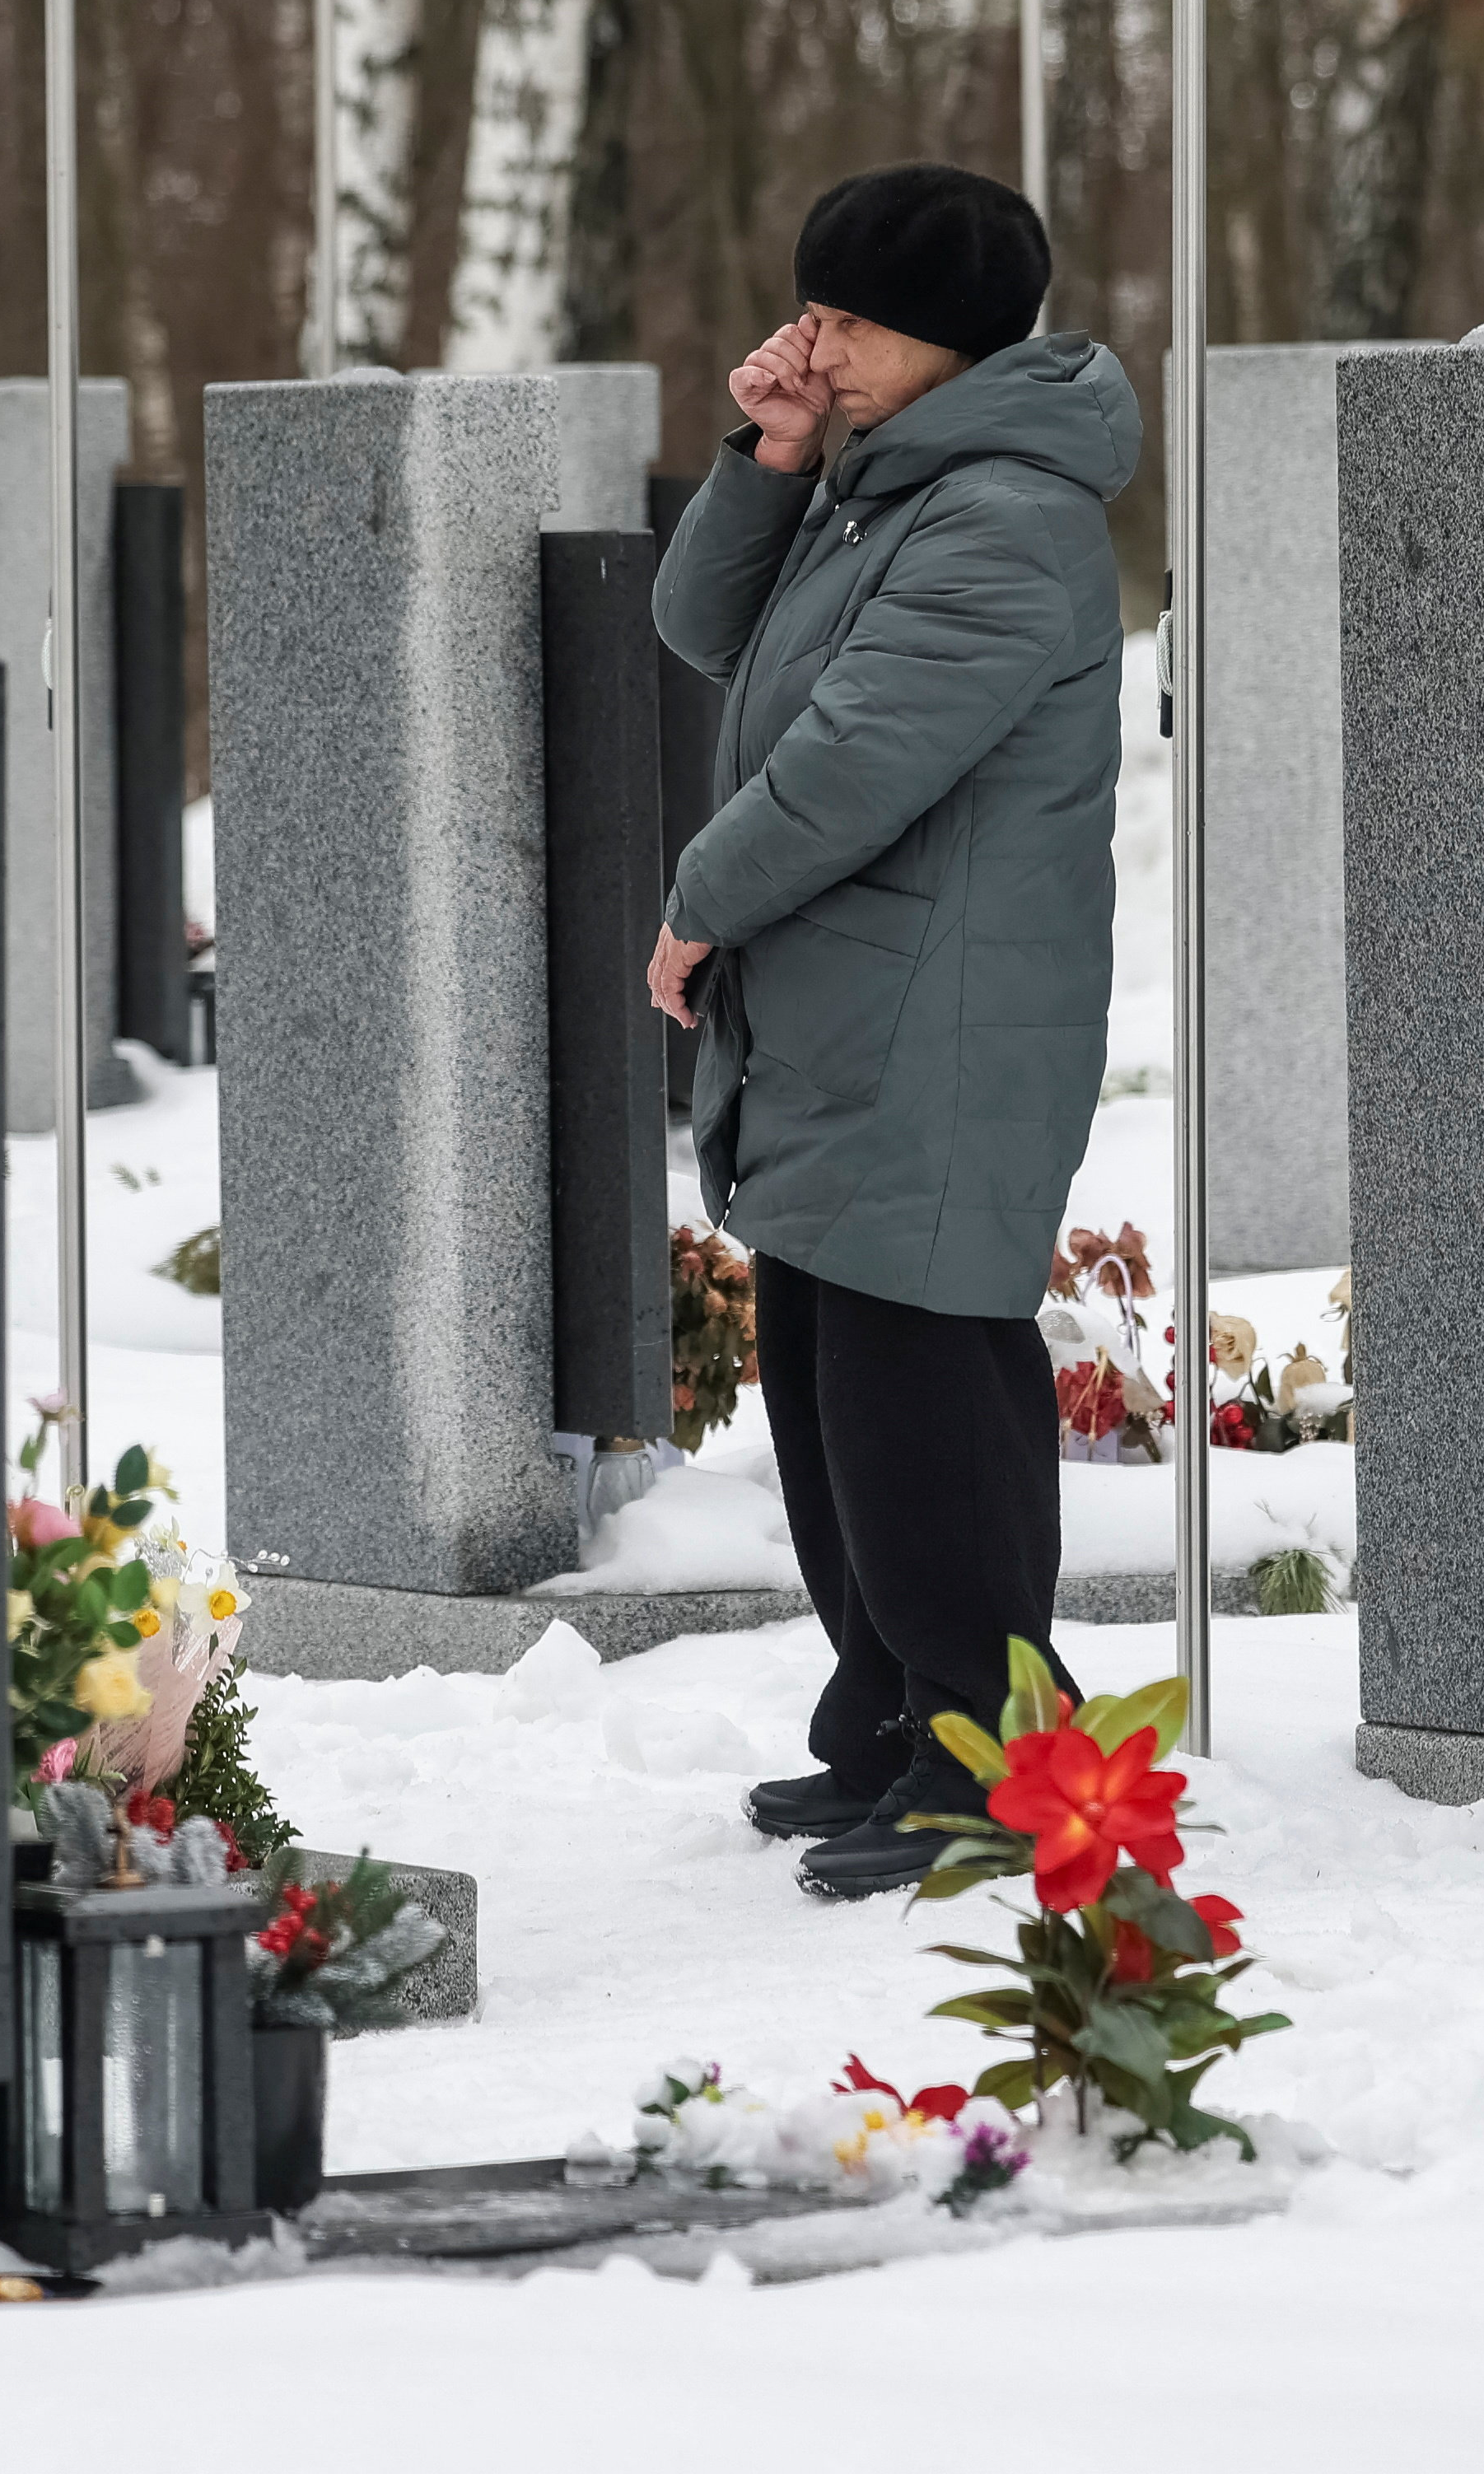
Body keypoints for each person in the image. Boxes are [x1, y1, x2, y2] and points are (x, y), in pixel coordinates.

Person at [647, 159, 1136, 1900]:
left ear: (935, 339)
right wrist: (772, 456)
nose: (811, 343)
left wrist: (698, 897)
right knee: (833, 1382)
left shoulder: (999, 513)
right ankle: (890, 1714)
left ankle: (988, 1752)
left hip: (939, 1011)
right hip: (857, 995)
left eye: (843, 322)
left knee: (922, 1391)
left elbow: (853, 755)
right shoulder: (883, 486)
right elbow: (704, 626)